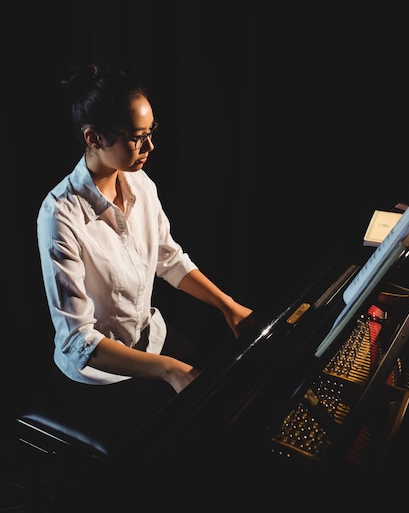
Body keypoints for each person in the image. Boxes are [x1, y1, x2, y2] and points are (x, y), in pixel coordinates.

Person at [37, 63, 253, 430]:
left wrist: (228, 307)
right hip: (100, 376)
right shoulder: (59, 215)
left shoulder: (141, 185)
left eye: (151, 131)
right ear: (94, 138)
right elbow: (78, 340)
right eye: (137, 137)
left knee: (227, 392)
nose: (150, 146)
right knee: (186, 435)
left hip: (150, 339)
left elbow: (168, 259)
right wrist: (169, 370)